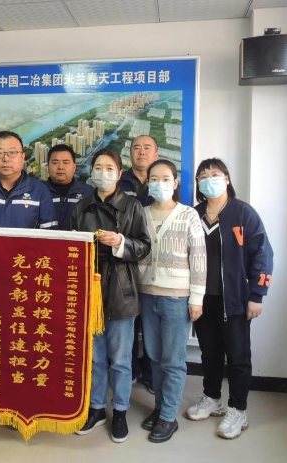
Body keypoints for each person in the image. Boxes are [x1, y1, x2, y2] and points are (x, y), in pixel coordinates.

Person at [185, 158, 273, 440]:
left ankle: (238, 409)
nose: (208, 179)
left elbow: (262, 255)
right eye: (203, 176)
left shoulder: (243, 213)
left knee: (237, 355)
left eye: (215, 174)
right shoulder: (194, 214)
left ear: (227, 179)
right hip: (202, 298)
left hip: (234, 299)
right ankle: (212, 398)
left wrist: (257, 295)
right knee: (209, 352)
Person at [71, 148, 151, 443]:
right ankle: (96, 409)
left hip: (120, 288)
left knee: (120, 358)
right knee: (94, 357)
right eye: (98, 167)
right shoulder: (82, 206)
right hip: (89, 288)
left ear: (119, 174)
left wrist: (120, 242)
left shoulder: (132, 206)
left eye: (109, 168)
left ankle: (119, 411)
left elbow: (144, 246)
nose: (102, 173)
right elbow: (71, 247)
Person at [138, 160, 206, 443]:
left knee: (173, 360)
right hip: (147, 295)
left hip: (177, 299)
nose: (159, 184)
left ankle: (168, 417)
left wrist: (197, 298)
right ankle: (159, 408)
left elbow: (199, 259)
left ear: (175, 183)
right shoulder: (141, 214)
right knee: (154, 356)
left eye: (165, 178)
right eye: (154, 179)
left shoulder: (188, 215)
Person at [118, 135, 159, 392]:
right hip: (125, 262)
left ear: (156, 154)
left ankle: (151, 374)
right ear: (130, 153)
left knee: (153, 325)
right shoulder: (119, 182)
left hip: (156, 265)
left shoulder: (163, 181)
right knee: (129, 321)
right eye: (136, 148)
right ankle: (130, 370)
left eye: (147, 148)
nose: (141, 152)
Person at [43, 144, 93, 231]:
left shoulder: (88, 192)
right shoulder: (38, 192)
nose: (60, 167)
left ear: (74, 167)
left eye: (66, 162)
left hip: (76, 240)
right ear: (48, 167)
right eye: (55, 163)